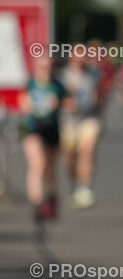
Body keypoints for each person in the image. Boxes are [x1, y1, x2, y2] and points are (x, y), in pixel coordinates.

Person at [20, 56, 70, 221]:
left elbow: (70, 102)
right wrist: (30, 104)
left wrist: (59, 104)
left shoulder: (57, 85)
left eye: (48, 66)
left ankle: (51, 201)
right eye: (42, 66)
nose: (46, 69)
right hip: (33, 128)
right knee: (38, 164)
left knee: (50, 168)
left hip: (52, 129)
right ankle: (37, 203)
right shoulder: (30, 84)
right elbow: (22, 103)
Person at [60, 53, 104, 208]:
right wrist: (66, 102)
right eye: (77, 58)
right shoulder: (63, 76)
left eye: (83, 57)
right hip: (70, 122)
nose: (80, 61)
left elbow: (101, 93)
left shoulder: (94, 74)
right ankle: (73, 184)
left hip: (89, 119)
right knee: (70, 158)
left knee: (87, 151)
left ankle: (84, 188)